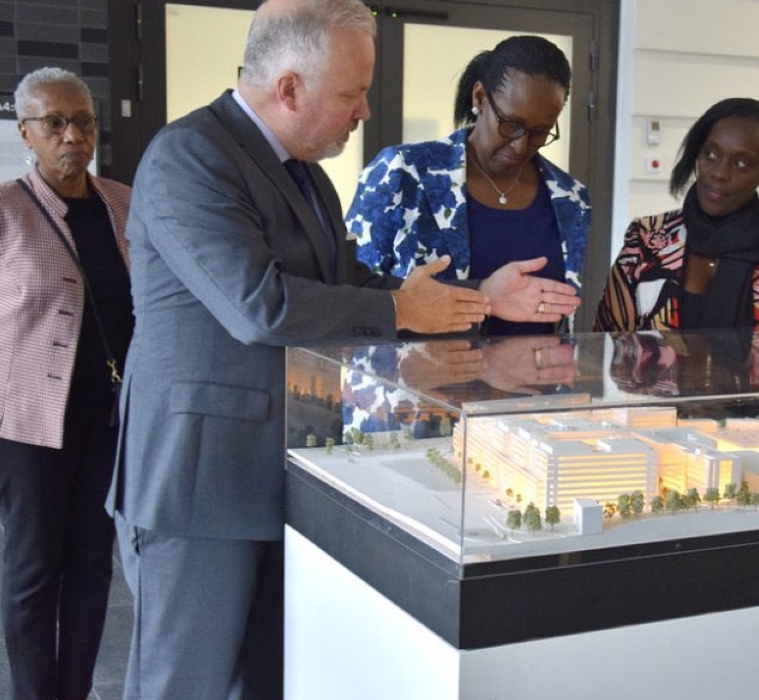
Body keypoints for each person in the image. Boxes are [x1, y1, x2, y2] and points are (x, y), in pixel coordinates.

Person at [107, 1, 488, 699]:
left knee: (270, 678)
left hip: (286, 469)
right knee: (181, 683)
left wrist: (478, 298)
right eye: (351, 94)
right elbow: (261, 304)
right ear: (289, 88)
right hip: (199, 483)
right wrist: (401, 309)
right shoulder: (190, 155)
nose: (363, 111)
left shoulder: (306, 170)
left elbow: (338, 280)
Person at [0, 67, 131, 700]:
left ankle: (74, 691)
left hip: (110, 420)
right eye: (55, 123)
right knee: (31, 573)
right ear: (26, 132)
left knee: (90, 566)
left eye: (83, 121)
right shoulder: (5, 211)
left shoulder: (124, 204)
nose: (72, 135)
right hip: (30, 425)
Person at [348, 35, 588, 335]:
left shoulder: (571, 198)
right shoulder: (403, 172)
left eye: (540, 132)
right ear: (479, 98)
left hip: (536, 381)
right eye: (511, 124)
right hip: (419, 379)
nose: (521, 145)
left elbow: (561, 318)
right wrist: (483, 296)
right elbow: (353, 296)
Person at [594, 97, 759, 334]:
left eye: (742, 163)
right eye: (711, 154)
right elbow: (608, 345)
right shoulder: (647, 240)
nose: (720, 173)